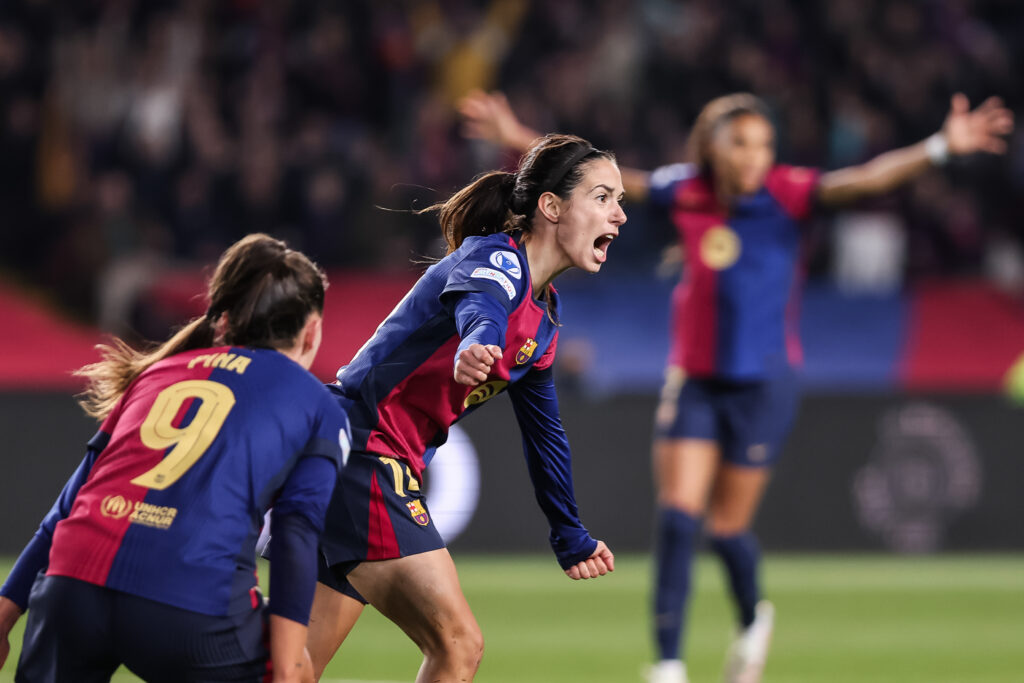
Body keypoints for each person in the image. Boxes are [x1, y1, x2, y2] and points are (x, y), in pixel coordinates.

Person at [459, 90, 1013, 683]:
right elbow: (599, 181)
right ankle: (668, 665)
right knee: (677, 517)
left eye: (764, 145)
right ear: (712, 147)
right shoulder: (687, 189)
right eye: (741, 143)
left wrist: (939, 148)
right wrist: (518, 136)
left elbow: (865, 180)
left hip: (763, 389)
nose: (754, 157)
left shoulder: (786, 193)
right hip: (695, 381)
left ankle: (752, 616)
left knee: (726, 531)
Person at [305, 133, 623, 682]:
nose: (618, 214)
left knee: (293, 668)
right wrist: (478, 340)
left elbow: (545, 436)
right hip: (363, 451)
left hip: (346, 455)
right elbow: (484, 304)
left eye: (619, 200)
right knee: (458, 646)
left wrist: (568, 532)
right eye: (602, 197)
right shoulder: (494, 256)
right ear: (550, 206)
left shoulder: (544, 320)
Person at [0, 234, 349, 683]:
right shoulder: (318, 406)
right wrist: (286, 669)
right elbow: (295, 534)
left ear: (222, 323)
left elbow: (70, 504)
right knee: (296, 670)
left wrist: (6, 613)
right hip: (191, 607)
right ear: (312, 330)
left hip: (70, 587)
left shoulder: (154, 376)